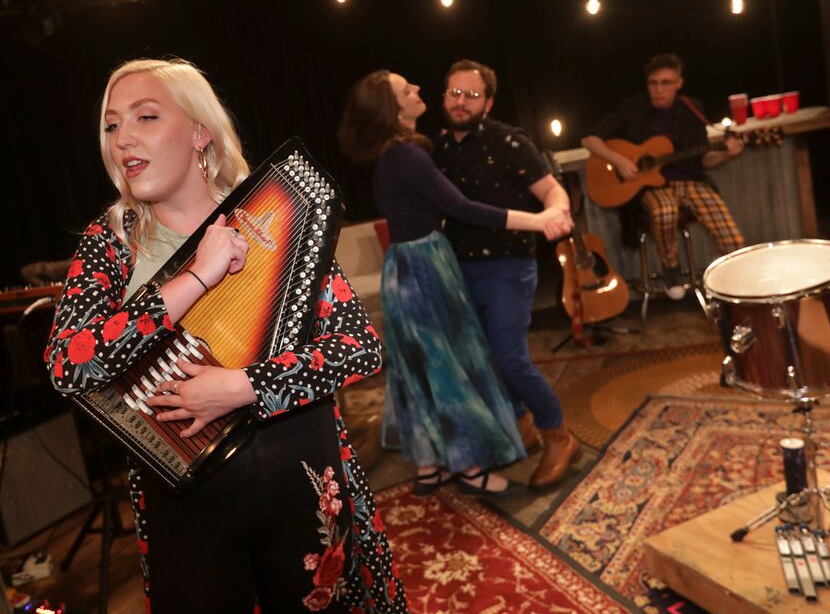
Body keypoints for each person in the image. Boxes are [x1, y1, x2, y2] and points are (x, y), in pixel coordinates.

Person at [44, 58, 406, 614]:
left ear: (198, 134)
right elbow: (70, 366)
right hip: (184, 504)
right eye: (112, 125)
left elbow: (357, 346)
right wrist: (194, 278)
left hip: (302, 480)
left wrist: (243, 386)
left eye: (145, 117)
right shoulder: (112, 243)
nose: (123, 139)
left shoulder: (276, 218)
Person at [338, 69, 569, 498]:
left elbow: (544, 188)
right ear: (393, 109)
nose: (419, 90)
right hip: (423, 266)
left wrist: (553, 209)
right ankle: (471, 468)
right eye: (408, 90)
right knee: (448, 369)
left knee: (420, 369)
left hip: (409, 267)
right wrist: (537, 221)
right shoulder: (408, 154)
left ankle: (431, 467)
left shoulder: (405, 152)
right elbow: (461, 208)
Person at [432, 59, 581, 492]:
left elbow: (551, 188)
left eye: (471, 95)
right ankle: (523, 427)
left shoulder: (508, 142)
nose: (461, 102)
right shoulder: (435, 149)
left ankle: (559, 436)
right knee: (484, 359)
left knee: (510, 358)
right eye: (454, 93)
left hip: (508, 267)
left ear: (488, 101)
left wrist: (557, 210)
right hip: (459, 268)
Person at [581, 53, 745, 300]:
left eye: (666, 83)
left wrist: (728, 155)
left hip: (691, 181)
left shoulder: (692, 109)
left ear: (679, 83)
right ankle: (671, 271)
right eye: (653, 83)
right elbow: (589, 138)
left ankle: (740, 285)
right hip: (652, 188)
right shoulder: (632, 108)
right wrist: (620, 160)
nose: (658, 90)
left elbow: (704, 160)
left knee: (730, 235)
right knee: (665, 211)